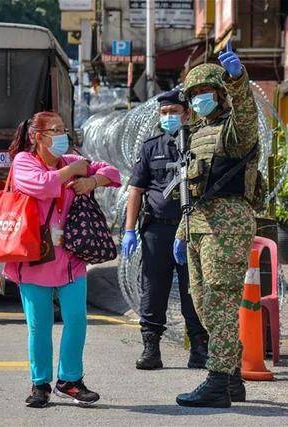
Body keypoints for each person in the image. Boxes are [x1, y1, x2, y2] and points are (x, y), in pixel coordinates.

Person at [4, 111, 121, 408]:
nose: (61, 136)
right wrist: (73, 173)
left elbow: (113, 173)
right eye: (54, 131)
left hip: (70, 258)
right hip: (34, 258)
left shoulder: (71, 162)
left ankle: (69, 380)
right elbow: (41, 184)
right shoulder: (24, 162)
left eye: (63, 129)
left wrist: (92, 180)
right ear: (37, 136)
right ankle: (40, 384)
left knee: (77, 320)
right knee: (39, 326)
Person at [173, 40, 259, 408]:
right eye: (193, 94)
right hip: (198, 226)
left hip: (226, 226)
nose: (198, 99)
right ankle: (233, 377)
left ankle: (217, 380)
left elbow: (246, 114)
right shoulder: (195, 134)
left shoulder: (234, 132)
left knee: (221, 303)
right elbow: (191, 189)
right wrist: (182, 230)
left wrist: (238, 79)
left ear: (221, 94)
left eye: (206, 91)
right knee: (202, 302)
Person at [122, 89, 209, 370]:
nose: (168, 117)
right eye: (164, 113)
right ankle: (151, 348)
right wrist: (129, 230)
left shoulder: (199, 143)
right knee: (153, 289)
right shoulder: (151, 146)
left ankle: (198, 347)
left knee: (192, 289)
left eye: (173, 112)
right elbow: (136, 190)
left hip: (192, 228)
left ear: (187, 113)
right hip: (157, 230)